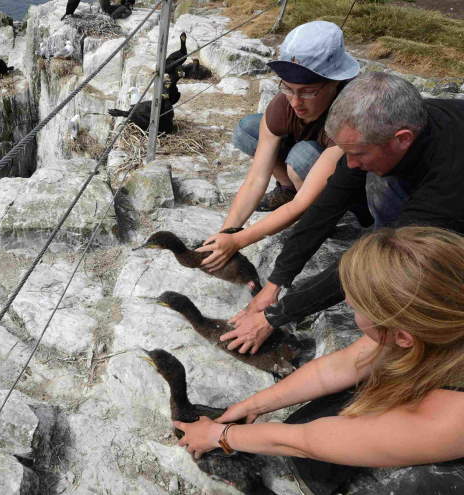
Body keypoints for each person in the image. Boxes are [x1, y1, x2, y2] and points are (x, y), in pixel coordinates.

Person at [175, 226, 464, 494]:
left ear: (402, 337)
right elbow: (339, 367)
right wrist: (253, 405)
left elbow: (308, 442)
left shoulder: (452, 420)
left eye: (357, 305)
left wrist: (220, 436)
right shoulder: (435, 324)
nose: (348, 303)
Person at [224, 71, 464, 354]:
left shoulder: (448, 178)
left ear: (402, 139)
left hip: (454, 203)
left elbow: (381, 257)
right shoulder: (387, 131)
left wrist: (275, 317)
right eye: (345, 151)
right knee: (370, 180)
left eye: (358, 153)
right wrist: (276, 281)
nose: (350, 164)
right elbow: (327, 206)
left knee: (408, 264)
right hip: (425, 177)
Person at [196, 21, 366, 273]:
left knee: (301, 158)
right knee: (249, 129)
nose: (296, 102)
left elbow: (302, 203)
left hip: (354, 188)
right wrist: (226, 233)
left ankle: (324, 215)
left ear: (334, 84)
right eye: (288, 88)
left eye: (308, 91)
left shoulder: (349, 116)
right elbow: (256, 178)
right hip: (310, 155)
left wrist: (238, 241)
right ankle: (288, 188)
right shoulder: (284, 104)